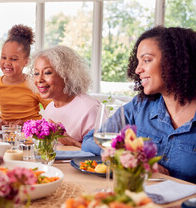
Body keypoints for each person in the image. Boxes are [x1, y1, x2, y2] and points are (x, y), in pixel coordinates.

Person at [82, 26, 196, 183]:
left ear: (176, 61)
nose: (137, 69)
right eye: (138, 61)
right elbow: (89, 141)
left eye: (147, 60)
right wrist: (137, 158)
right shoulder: (140, 106)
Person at [29, 45, 100, 147]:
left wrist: (72, 142)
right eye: (36, 73)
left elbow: (104, 154)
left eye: (47, 72)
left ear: (67, 75)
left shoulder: (89, 109)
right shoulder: (50, 108)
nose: (39, 79)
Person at [0, 24, 50, 130]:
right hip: (7, 135)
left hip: (32, 135)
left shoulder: (34, 83)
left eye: (14, 59)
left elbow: (52, 109)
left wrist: (28, 125)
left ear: (26, 62)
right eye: (3, 57)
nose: (7, 63)